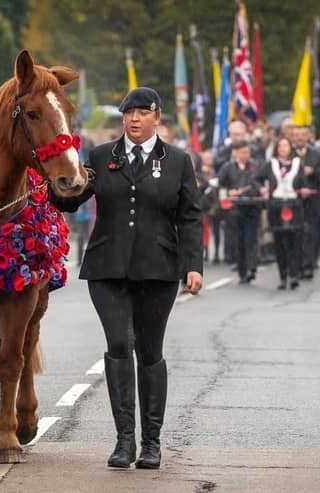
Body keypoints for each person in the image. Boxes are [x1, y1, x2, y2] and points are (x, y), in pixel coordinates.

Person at [50, 87, 203, 470]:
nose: (133, 120)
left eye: (141, 113)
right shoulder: (103, 157)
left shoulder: (178, 161)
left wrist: (193, 265)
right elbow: (71, 200)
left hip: (158, 268)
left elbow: (190, 216)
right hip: (108, 267)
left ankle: (151, 443)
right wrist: (56, 181)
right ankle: (124, 442)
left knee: (149, 350)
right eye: (128, 114)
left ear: (156, 118)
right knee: (119, 343)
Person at [255, 137, 304, 289]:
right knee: (280, 242)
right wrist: (262, 189)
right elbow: (256, 179)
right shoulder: (272, 164)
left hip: (294, 205)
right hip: (276, 205)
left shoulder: (297, 164)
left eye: (286, 146)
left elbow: (304, 183)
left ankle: (294, 275)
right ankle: (283, 276)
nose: (283, 149)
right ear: (277, 148)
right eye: (280, 146)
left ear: (291, 148)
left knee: (295, 242)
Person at [218, 140, 262, 283]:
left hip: (252, 207)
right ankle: (242, 270)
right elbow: (221, 186)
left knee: (251, 239)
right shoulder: (228, 167)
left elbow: (261, 184)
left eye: (248, 152)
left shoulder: (255, 167)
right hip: (235, 209)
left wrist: (257, 191)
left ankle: (252, 267)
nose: (246, 155)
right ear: (236, 153)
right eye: (243, 152)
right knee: (239, 240)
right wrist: (229, 193)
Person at [291, 125, 320, 280]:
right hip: (294, 200)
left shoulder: (316, 154)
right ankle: (296, 266)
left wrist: (314, 172)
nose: (300, 138)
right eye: (297, 135)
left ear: (308, 136)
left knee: (311, 232)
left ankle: (308, 265)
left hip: (313, 200)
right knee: (296, 233)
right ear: (292, 137)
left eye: (303, 135)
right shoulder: (288, 154)